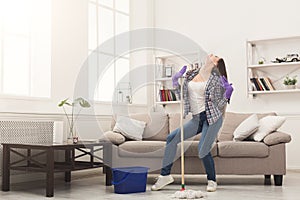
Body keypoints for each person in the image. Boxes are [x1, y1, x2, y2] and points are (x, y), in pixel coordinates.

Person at [151, 54, 233, 192]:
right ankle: (165, 176)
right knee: (171, 138)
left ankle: (212, 180)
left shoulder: (217, 79)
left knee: (203, 149)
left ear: (216, 64)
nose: (211, 55)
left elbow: (219, 104)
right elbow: (183, 95)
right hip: (197, 118)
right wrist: (176, 82)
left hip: (212, 118)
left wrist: (227, 95)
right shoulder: (192, 73)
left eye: (215, 57)